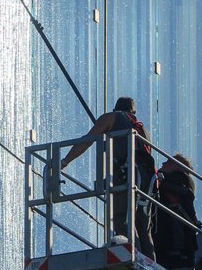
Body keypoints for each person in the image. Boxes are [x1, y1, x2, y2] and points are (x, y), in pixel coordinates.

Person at [61, 96, 157, 255]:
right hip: (147, 179)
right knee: (142, 224)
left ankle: (131, 255)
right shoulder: (142, 129)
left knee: (122, 217)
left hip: (129, 175)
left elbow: (86, 141)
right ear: (133, 112)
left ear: (115, 109)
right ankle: (149, 261)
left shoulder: (111, 117)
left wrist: (65, 161)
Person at [153, 154, 202, 270]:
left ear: (178, 166)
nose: (163, 164)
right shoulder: (180, 183)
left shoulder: (179, 179)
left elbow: (177, 196)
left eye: (168, 161)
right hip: (179, 244)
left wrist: (160, 182)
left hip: (174, 243)